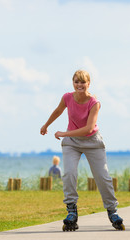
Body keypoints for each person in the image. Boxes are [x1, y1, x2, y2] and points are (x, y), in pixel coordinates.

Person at [40, 70, 125, 231]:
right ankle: (71, 210)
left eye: (83, 82)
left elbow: (88, 129)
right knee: (69, 173)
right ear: (73, 83)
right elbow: (58, 111)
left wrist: (64, 133)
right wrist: (46, 125)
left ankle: (112, 211)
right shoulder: (67, 97)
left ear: (88, 84)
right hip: (72, 143)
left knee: (103, 177)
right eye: (76, 82)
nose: (79, 85)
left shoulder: (94, 103)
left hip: (92, 141)